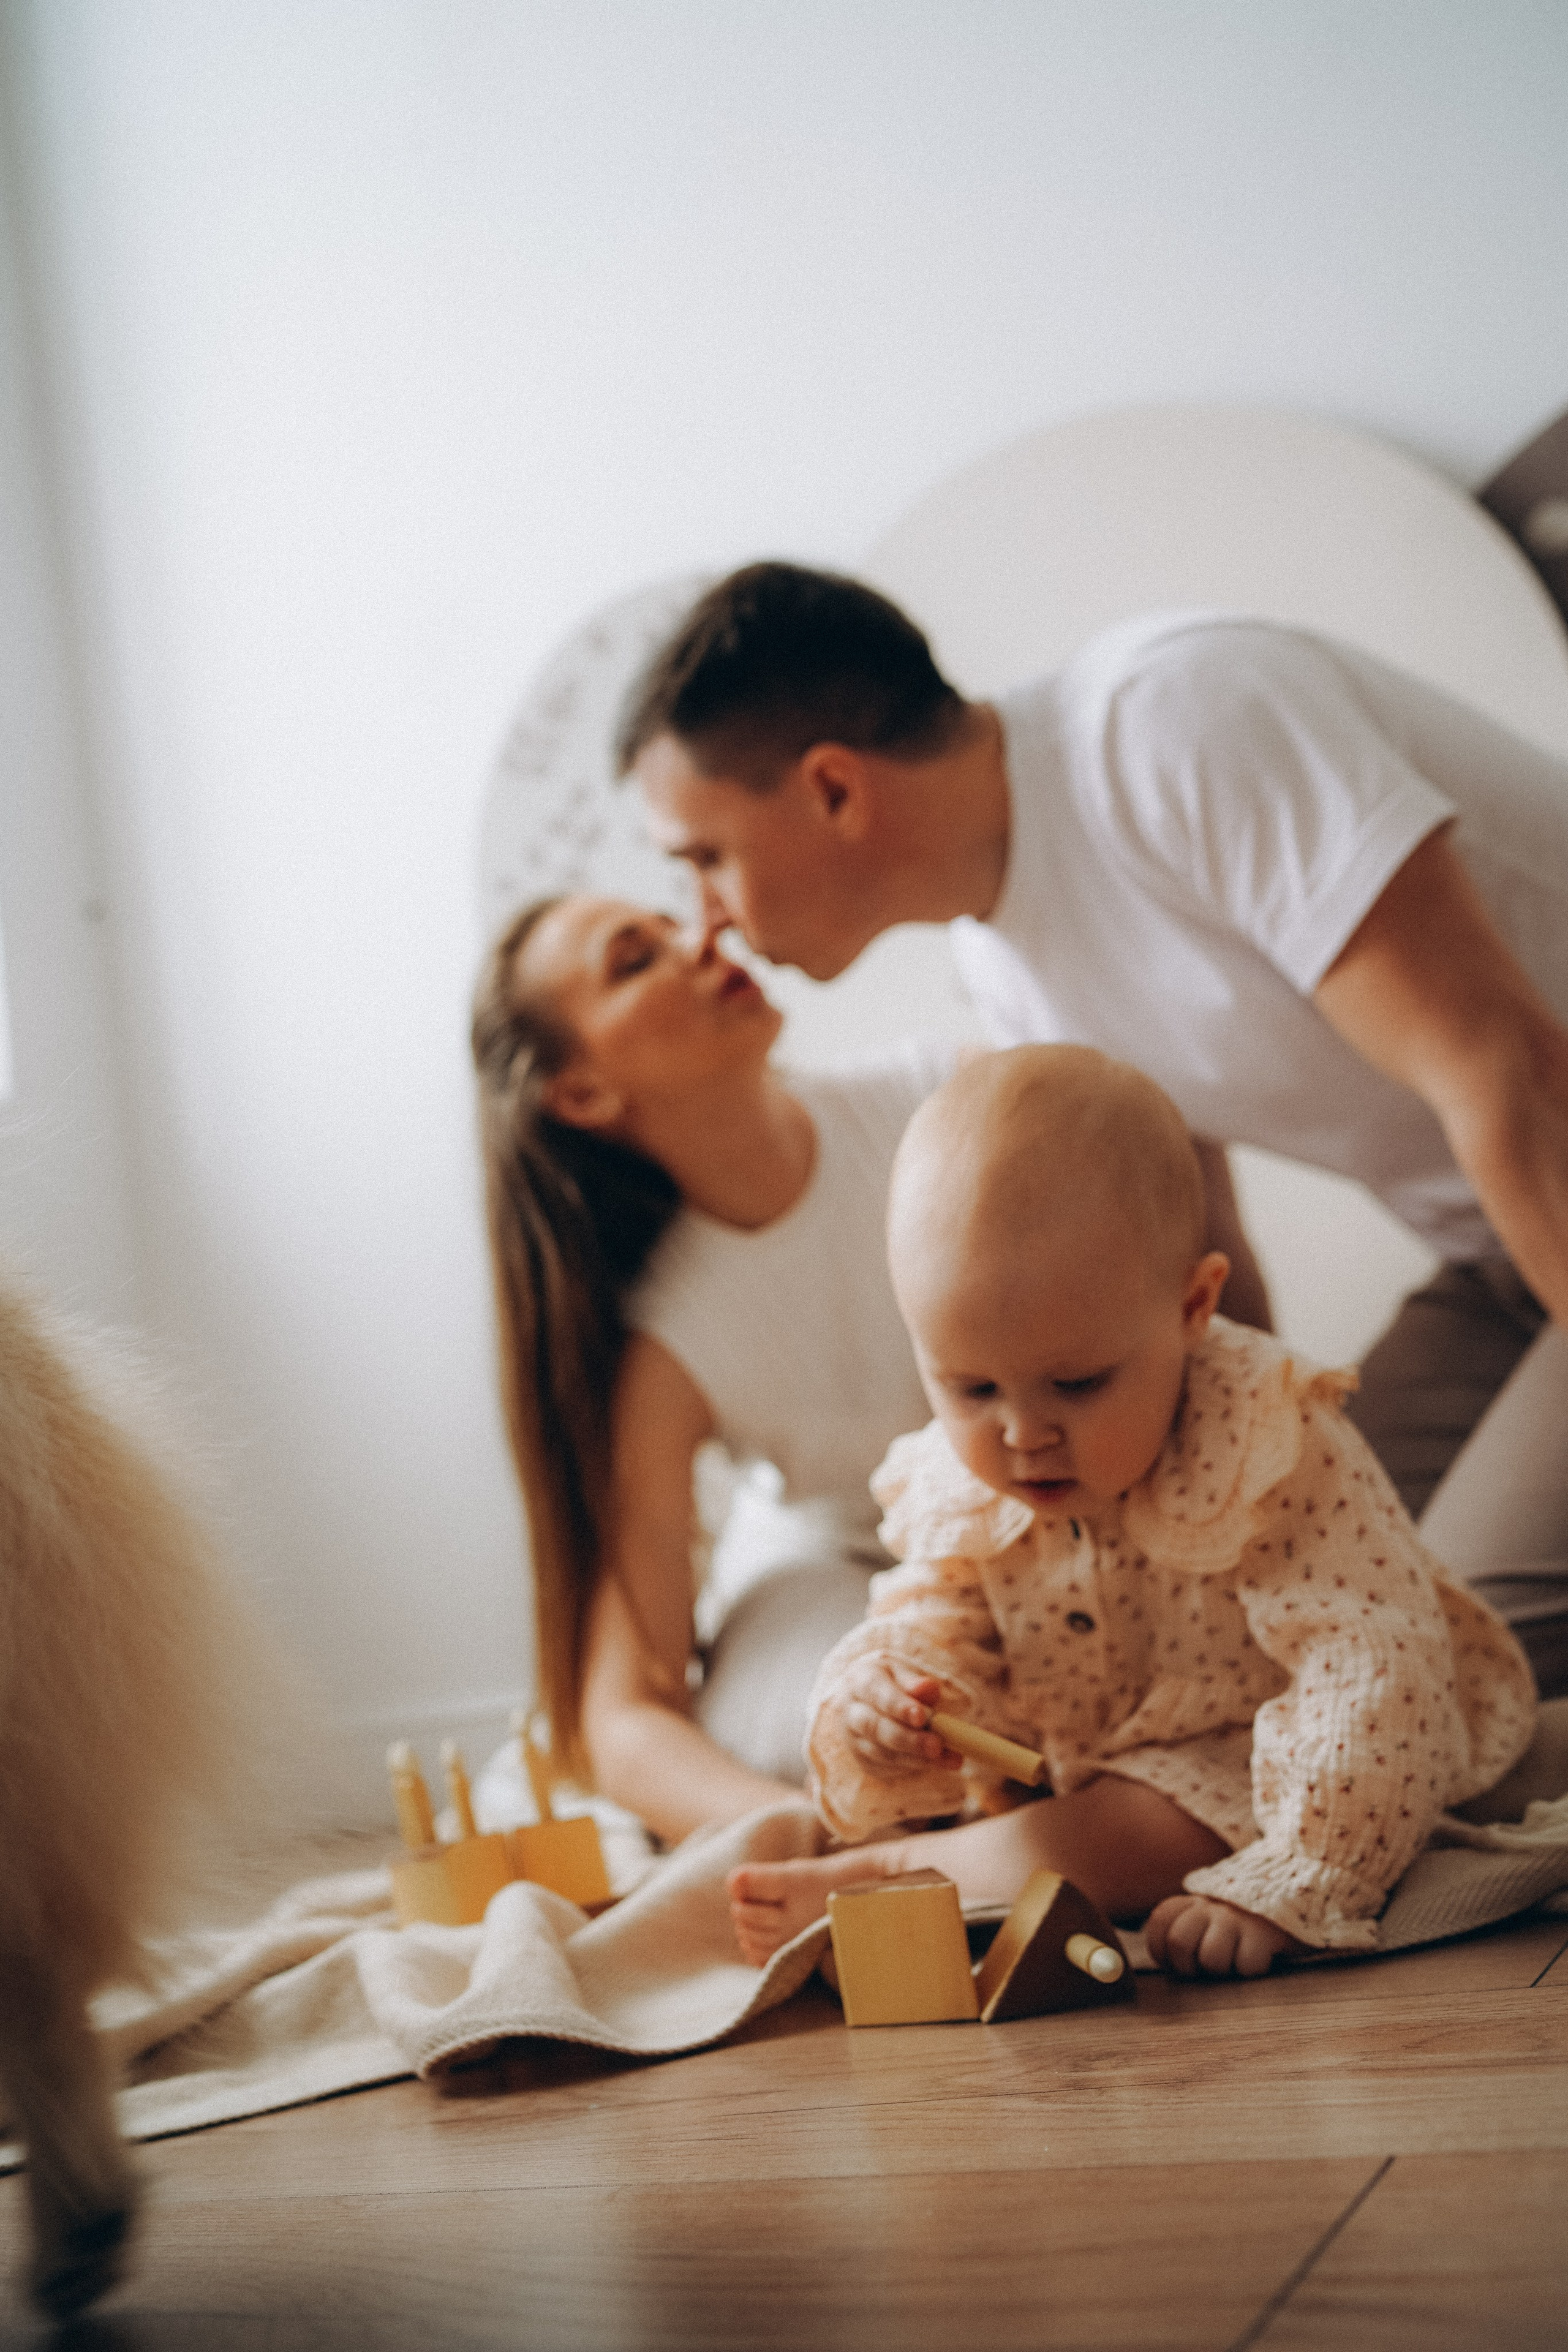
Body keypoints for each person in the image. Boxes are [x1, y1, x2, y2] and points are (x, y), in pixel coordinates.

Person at [618, 562, 1568, 1696]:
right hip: (1495, 1258)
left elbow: (1507, 1068)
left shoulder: (1171, 723)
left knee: (1456, 1665)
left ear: (833, 789)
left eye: (706, 860)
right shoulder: (1008, 972)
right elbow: (1205, 1273)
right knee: (1301, 1626)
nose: (705, 923)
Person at [727, 1047, 1536, 1977]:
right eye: (971, 1386)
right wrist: (888, 1700)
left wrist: (1301, 1872)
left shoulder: (1268, 1437)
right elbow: (929, 1622)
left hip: (1255, 1754)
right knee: (1000, 1787)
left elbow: (1368, 1660)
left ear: (1192, 1306)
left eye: (1077, 1384)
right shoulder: (957, 1483)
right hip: (1060, 1774)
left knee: (1158, 1817)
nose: (1024, 1433)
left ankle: (921, 1873)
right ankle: (940, 1864)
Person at [470, 889, 959, 1844]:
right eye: (634, 958)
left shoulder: (942, 1102)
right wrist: (797, 1838)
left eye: (672, 921)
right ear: (583, 1094)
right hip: (829, 1567)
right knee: (872, 1707)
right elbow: (624, 1713)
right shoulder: (666, 1343)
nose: (703, 940)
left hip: (1039, 1528)